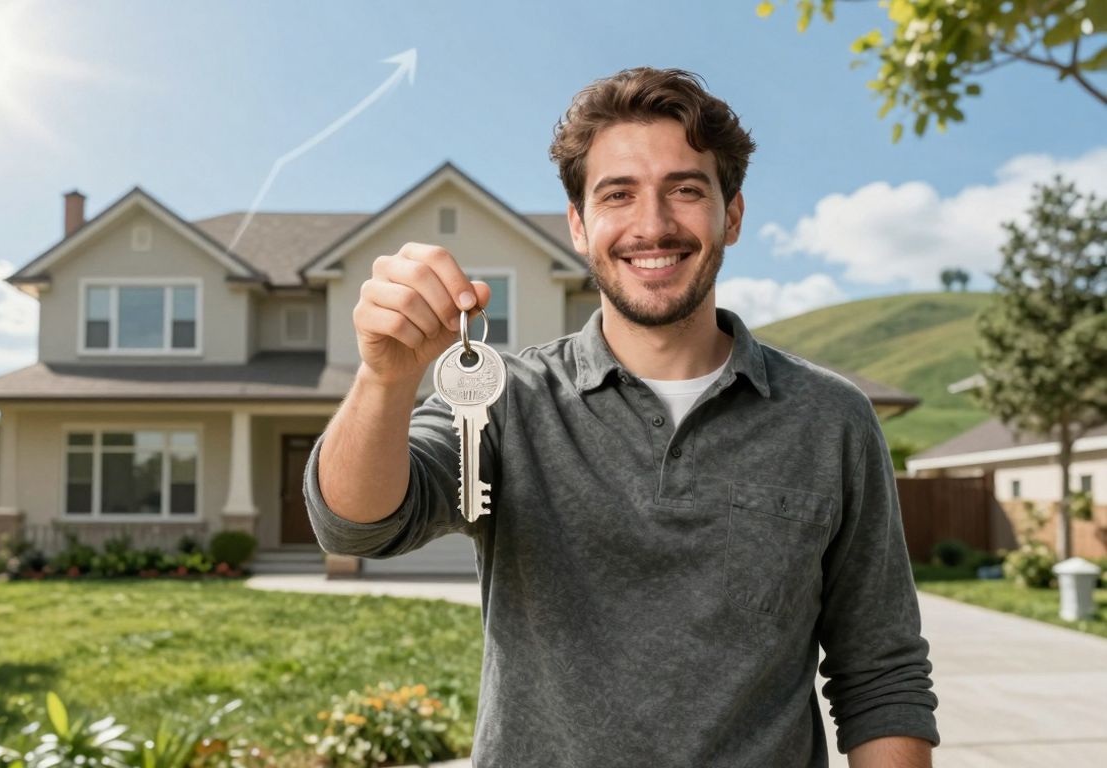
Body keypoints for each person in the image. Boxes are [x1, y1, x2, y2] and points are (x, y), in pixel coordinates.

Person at [303, 67, 939, 767]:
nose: (653, 225)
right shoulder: (504, 400)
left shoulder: (830, 418)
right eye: (619, 195)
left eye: (686, 190)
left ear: (731, 214)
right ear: (579, 224)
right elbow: (355, 523)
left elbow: (881, 673)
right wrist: (385, 378)